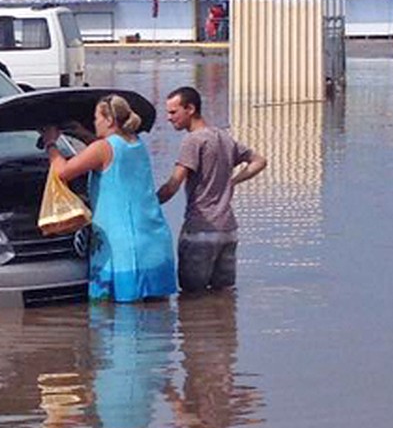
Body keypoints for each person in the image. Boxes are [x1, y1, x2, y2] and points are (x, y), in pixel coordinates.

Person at [42, 94, 177, 302]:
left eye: (96, 118)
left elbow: (63, 172)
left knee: (118, 321)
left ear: (109, 120)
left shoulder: (102, 148)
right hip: (154, 243)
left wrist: (51, 143)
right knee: (156, 319)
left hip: (122, 249)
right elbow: (107, 149)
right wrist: (82, 134)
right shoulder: (136, 142)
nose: (94, 122)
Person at [156, 86, 267, 292]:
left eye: (173, 112)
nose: (169, 118)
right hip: (228, 231)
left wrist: (148, 204)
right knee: (224, 295)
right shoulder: (223, 137)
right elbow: (259, 161)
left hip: (200, 230)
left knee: (191, 297)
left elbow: (173, 184)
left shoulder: (193, 140)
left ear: (190, 109)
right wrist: (234, 180)